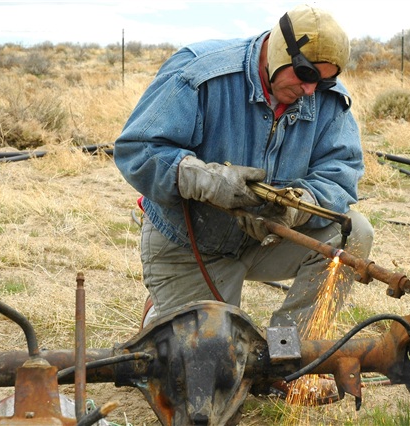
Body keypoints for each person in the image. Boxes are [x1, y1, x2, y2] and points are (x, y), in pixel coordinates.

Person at [114, 4, 374, 405]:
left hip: (264, 240)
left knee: (353, 232)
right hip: (191, 244)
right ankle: (161, 316)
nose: (310, 91)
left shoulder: (325, 98)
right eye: (305, 75)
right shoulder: (199, 74)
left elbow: (341, 169)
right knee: (210, 385)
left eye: (323, 82)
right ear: (280, 52)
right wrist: (204, 179)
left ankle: (289, 360)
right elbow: (137, 150)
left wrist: (299, 205)